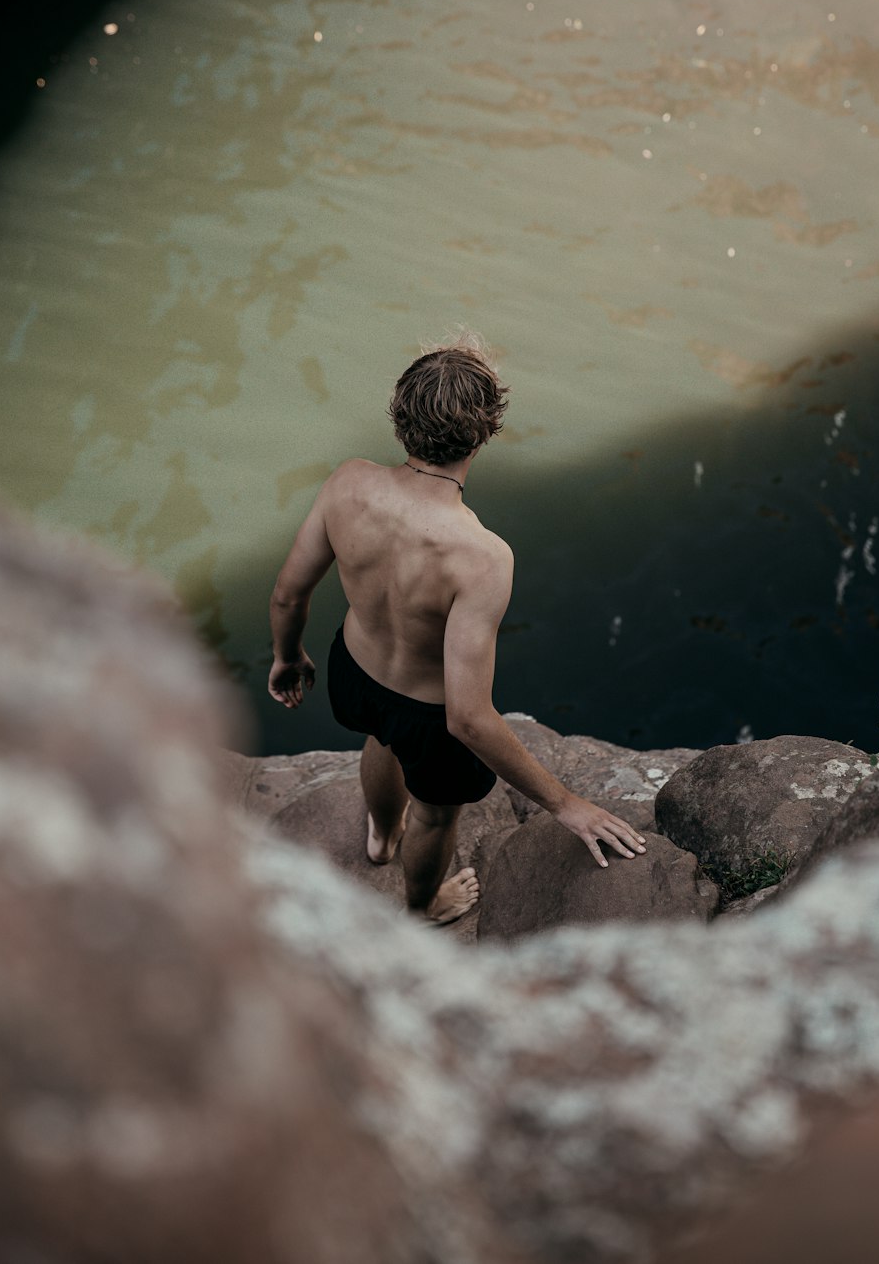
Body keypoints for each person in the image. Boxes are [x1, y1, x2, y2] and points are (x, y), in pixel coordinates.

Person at [268, 335, 646, 924]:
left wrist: (287, 657)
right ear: (483, 433)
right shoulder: (483, 557)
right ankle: (421, 907)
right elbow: (466, 718)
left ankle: (379, 837)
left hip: (354, 671)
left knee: (380, 739)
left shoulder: (348, 483)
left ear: (400, 416)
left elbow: (289, 592)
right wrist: (564, 803)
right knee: (437, 813)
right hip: (430, 718)